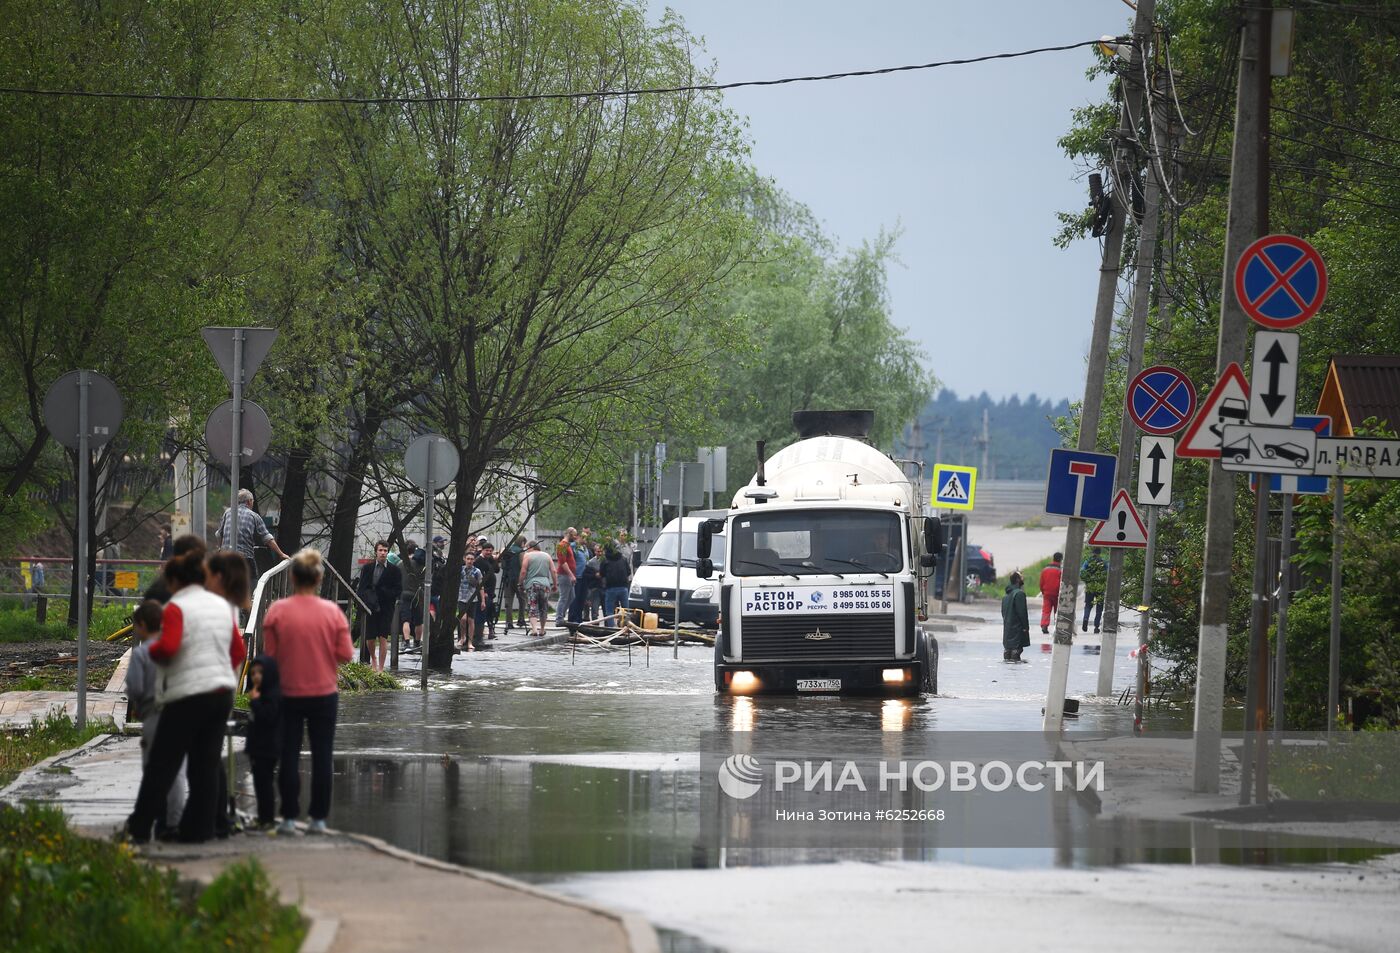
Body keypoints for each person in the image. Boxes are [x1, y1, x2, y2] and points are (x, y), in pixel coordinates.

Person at [124, 538, 245, 844]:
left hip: (188, 694)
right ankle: (199, 831)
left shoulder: (177, 607)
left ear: (176, 581)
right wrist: (219, 670)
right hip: (221, 693)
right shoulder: (221, 605)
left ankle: (138, 828)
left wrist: (150, 654)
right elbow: (238, 649)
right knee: (205, 766)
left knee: (162, 765)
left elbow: (169, 647)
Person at [263, 548, 355, 835]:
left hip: (288, 693)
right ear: (319, 578)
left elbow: (270, 655)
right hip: (324, 693)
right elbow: (346, 654)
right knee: (322, 754)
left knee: (289, 753)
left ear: (291, 577)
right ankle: (318, 819)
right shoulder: (333, 613)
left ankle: (289, 818)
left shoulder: (277, 611)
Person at [124, 599, 187, 840]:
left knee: (152, 769)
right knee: (178, 768)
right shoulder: (175, 650)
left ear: (141, 625)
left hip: (152, 714)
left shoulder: (141, 653)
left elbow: (135, 687)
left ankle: (150, 816)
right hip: (178, 711)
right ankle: (173, 822)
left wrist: (138, 705)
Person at [216, 489, 289, 582]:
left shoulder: (228, 512)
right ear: (249, 501)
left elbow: (218, 534)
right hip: (245, 557)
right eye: (252, 501)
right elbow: (267, 538)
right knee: (253, 582)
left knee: (225, 581)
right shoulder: (254, 516)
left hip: (226, 556)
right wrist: (281, 554)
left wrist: (220, 548)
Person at [246, 656, 283, 830]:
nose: (256, 677)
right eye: (253, 673)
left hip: (266, 748)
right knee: (260, 784)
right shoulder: (262, 692)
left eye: (260, 672)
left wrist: (254, 702)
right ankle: (263, 818)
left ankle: (266, 819)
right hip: (258, 747)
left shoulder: (272, 695)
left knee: (264, 783)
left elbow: (267, 717)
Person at [355, 541, 402, 673]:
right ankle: (373, 660)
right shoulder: (367, 568)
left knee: (383, 636)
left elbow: (398, 590)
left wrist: (384, 592)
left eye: (385, 551)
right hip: (370, 606)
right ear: (376, 551)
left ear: (388, 552)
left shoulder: (394, 570)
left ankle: (380, 668)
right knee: (370, 636)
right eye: (380, 550)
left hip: (386, 607)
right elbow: (362, 588)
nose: (383, 553)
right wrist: (364, 601)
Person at [520, 540, 556, 637]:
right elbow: (553, 571)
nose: (526, 550)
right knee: (543, 608)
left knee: (532, 606)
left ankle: (534, 629)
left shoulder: (527, 556)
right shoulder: (547, 556)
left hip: (532, 584)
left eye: (527, 548)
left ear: (531, 547)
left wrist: (520, 583)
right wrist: (555, 584)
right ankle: (542, 629)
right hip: (545, 585)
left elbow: (523, 571)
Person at [398, 540, 426, 652]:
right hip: (417, 595)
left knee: (406, 620)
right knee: (419, 620)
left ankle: (406, 642)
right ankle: (417, 642)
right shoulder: (420, 564)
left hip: (404, 594)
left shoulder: (400, 564)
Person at [456, 551, 484, 652]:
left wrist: (483, 601)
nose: (470, 561)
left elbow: (481, 586)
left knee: (471, 620)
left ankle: (470, 641)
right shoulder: (461, 570)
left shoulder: (477, 571)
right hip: (461, 598)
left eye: (472, 559)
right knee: (463, 619)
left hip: (472, 599)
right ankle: (462, 636)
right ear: (465, 559)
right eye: (468, 559)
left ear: (474, 560)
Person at [1002, 571, 1030, 662]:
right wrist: (1026, 627)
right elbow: (1022, 613)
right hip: (1017, 629)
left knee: (1008, 652)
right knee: (1016, 652)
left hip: (1007, 629)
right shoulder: (1019, 594)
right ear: (1018, 580)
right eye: (1022, 577)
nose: (1023, 578)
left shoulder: (1006, 596)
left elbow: (1003, 613)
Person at [499, 536, 527, 630]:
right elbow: (522, 565)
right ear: (522, 542)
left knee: (508, 601)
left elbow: (502, 565)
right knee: (522, 599)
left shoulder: (507, 551)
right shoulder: (521, 551)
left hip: (507, 578)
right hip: (518, 578)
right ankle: (521, 619)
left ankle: (509, 622)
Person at [601, 545, 632, 626]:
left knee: (610, 611)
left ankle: (612, 629)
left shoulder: (605, 560)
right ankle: (626, 627)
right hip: (623, 588)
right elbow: (629, 572)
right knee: (626, 610)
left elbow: (602, 574)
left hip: (610, 588)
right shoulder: (623, 559)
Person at [476, 542, 499, 642]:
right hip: (484, 591)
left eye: (490, 551)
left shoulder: (489, 559)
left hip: (491, 590)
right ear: (482, 550)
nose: (489, 552)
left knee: (490, 611)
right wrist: (483, 591)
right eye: (487, 551)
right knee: (484, 611)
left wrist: (494, 559)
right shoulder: (479, 561)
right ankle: (480, 632)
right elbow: (479, 578)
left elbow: (497, 570)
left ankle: (490, 630)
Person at [1081, 547, 1108, 634]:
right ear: (1099, 553)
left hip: (1090, 586)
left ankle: (1085, 619)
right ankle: (1096, 626)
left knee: (1088, 605)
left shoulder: (1088, 561)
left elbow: (1082, 572)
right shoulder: (1103, 562)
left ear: (1092, 552)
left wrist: (1087, 581)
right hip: (1100, 587)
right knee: (1099, 607)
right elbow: (1107, 573)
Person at [554, 529, 577, 626]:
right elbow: (563, 562)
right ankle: (559, 618)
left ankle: (561, 615)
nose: (575, 537)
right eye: (574, 535)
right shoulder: (562, 545)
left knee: (571, 597)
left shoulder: (567, 545)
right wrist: (571, 575)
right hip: (564, 575)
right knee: (563, 597)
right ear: (570, 534)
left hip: (568, 575)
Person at [1038, 552, 1063, 634]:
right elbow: (1062, 582)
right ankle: (1057, 626)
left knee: (1046, 610)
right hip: (1057, 593)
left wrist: (1043, 591)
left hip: (1047, 593)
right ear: (1060, 559)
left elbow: (1041, 582)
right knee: (1057, 611)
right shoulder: (1060, 570)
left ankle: (1044, 625)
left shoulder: (1045, 569)